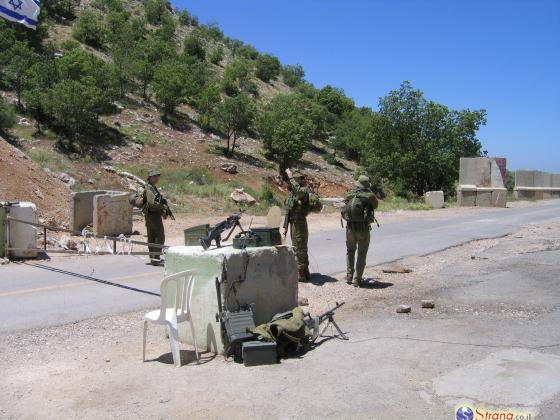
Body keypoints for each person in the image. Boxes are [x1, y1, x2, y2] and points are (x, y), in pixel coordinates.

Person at [343, 175, 379, 287]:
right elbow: (376, 205)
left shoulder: (349, 194)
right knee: (361, 253)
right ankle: (357, 279)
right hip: (363, 228)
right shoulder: (369, 196)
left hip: (349, 227)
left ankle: (349, 274)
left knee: (350, 250)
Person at [285, 168, 311, 282]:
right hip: (294, 222)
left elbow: (299, 191)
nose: (301, 179)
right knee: (299, 247)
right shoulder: (294, 193)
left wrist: (290, 176)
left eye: (299, 178)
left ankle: (302, 274)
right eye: (298, 178)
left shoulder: (304, 190)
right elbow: (289, 209)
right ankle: (305, 271)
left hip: (299, 223)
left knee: (299, 247)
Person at [142, 169, 168, 266]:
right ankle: (155, 257)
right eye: (154, 176)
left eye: (157, 176)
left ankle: (153, 258)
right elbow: (152, 203)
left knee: (152, 236)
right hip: (153, 215)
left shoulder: (151, 187)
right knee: (160, 236)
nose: (156, 178)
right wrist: (163, 207)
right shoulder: (149, 188)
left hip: (150, 215)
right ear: (150, 177)